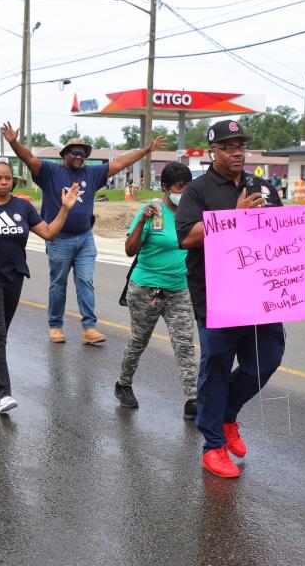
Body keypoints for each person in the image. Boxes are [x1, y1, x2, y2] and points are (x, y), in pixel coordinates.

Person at [175, 119, 285, 479]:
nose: (237, 152)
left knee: (267, 360)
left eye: (241, 145)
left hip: (259, 293)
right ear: (212, 152)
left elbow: (281, 231)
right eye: (228, 146)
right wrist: (234, 219)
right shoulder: (197, 190)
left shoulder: (263, 187)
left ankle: (226, 416)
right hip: (217, 295)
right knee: (216, 367)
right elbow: (187, 237)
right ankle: (212, 447)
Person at [2, 122, 165, 344]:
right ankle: (55, 326)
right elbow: (29, 158)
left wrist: (146, 150)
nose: (80, 156)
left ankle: (89, 327)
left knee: (86, 281)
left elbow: (119, 163)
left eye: (84, 154)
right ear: (65, 154)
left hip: (85, 238)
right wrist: (13, 142)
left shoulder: (92, 173)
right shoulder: (50, 171)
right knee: (58, 283)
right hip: (59, 239)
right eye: (75, 152)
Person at [0, 161, 81, 414]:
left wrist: (65, 209)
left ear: (13, 180)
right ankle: (3, 394)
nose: (4, 182)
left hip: (14, 275)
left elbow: (48, 233)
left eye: (8, 178)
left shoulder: (23, 206)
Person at [114, 162, 198, 420]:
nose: (182, 192)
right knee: (139, 341)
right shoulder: (152, 211)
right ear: (164, 187)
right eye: (178, 187)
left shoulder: (193, 212)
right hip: (146, 289)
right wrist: (143, 221)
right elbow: (130, 249)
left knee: (185, 344)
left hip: (179, 288)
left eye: (187, 187)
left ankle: (193, 399)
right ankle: (123, 384)